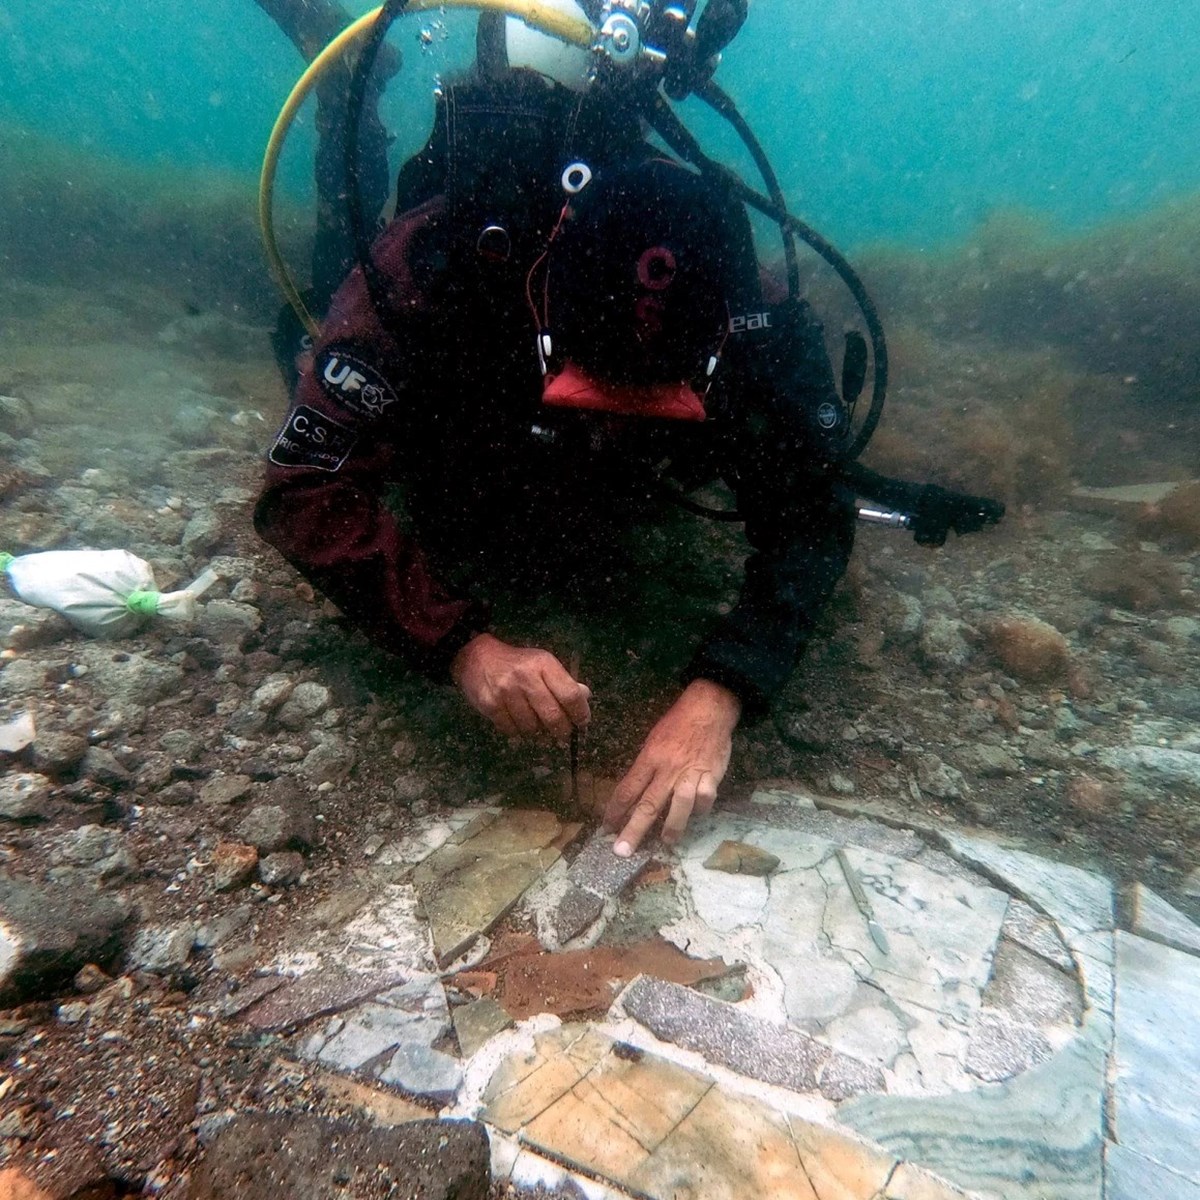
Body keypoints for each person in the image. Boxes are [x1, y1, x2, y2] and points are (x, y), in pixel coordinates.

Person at [254, 11, 858, 859]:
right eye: (595, 388)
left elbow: (815, 504)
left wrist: (723, 690)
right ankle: (357, 84)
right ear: (543, 307)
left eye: (654, 398)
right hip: (459, 441)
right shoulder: (436, 262)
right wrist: (462, 646)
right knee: (326, 280)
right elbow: (304, 488)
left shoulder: (743, 298)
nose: (614, 418)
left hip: (596, 475)